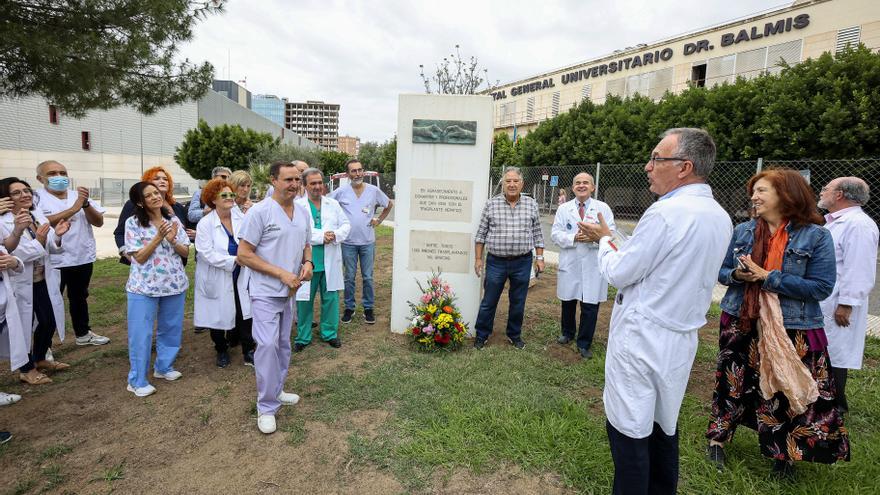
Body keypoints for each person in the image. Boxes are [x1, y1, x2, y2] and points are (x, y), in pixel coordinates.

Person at [581, 128, 732, 494]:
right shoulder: (718, 215)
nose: (648, 167)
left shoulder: (665, 212)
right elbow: (652, 260)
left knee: (630, 427)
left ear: (684, 167)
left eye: (656, 159)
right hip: (680, 337)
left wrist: (602, 240)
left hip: (643, 338)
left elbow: (620, 271)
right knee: (664, 425)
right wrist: (614, 239)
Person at [705, 169, 849, 477]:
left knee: (785, 388)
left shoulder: (816, 235)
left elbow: (821, 287)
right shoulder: (743, 230)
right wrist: (737, 276)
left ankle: (784, 455)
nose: (754, 197)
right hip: (741, 318)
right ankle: (717, 440)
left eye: (761, 191)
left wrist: (768, 277)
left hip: (793, 326)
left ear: (786, 195)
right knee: (732, 382)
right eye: (753, 191)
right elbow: (721, 271)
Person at [236, 161, 312, 434]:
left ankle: (277, 391)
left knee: (282, 345)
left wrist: (308, 263)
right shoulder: (260, 212)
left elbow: (306, 244)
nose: (294, 184)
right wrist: (280, 273)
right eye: (288, 179)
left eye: (297, 180)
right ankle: (266, 407)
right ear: (273, 181)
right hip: (265, 292)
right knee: (266, 345)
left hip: (289, 292)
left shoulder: (302, 212)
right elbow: (243, 255)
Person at [123, 182, 191, 397]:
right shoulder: (133, 223)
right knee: (140, 334)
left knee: (171, 328)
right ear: (139, 202)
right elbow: (139, 257)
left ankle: (164, 367)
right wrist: (158, 238)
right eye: (148, 195)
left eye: (156, 193)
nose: (155, 197)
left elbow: (185, 252)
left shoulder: (173, 220)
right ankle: (137, 380)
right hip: (143, 287)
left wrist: (172, 240)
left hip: (174, 284)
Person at [817, 177, 878, 414]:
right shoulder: (836, 221)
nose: (822, 192)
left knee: (836, 353)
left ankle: (836, 406)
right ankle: (824, 400)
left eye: (827, 188)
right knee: (826, 350)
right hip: (826, 298)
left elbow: (859, 268)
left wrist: (847, 303)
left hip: (839, 304)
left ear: (840, 194)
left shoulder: (858, 225)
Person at [0, 178, 70, 385]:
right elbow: (10, 254)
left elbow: (49, 247)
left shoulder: (35, 215)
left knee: (48, 321)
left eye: (27, 190)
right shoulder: (3, 222)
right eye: (17, 193)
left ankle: (40, 357)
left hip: (42, 279)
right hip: (18, 283)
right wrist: (39, 243)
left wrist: (56, 237)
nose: (25, 195)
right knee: (22, 326)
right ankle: (26, 369)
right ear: (6, 198)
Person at [34, 160, 110, 346]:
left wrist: (84, 205)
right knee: (50, 302)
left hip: (81, 256)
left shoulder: (79, 196)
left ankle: (83, 333)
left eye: (62, 172)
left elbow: (98, 222)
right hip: (52, 260)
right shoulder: (36, 198)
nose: (59, 177)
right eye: (52, 173)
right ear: (40, 178)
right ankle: (45, 345)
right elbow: (40, 223)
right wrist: (73, 209)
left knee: (79, 297)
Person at [473, 166, 545, 350]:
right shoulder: (491, 204)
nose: (512, 184)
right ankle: (482, 334)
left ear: (522, 184)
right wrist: (479, 259)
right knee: (489, 300)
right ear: (503, 184)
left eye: (515, 181)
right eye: (508, 181)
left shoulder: (531, 204)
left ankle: (514, 335)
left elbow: (538, 233)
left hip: (522, 262)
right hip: (496, 261)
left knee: (518, 301)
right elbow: (481, 234)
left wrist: (540, 257)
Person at [551, 173, 614, 359]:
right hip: (571, 262)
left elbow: (611, 234)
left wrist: (596, 238)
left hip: (593, 265)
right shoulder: (564, 209)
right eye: (577, 183)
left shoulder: (602, 208)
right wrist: (573, 238)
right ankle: (567, 333)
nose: (581, 185)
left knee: (590, 306)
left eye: (585, 183)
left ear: (592, 187)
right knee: (568, 301)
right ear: (572, 188)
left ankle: (584, 342)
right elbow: (555, 234)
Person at [194, 178, 254, 368]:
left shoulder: (241, 218)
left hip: (240, 274)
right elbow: (206, 253)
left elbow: (251, 240)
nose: (230, 198)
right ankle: (221, 349)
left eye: (231, 194)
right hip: (218, 274)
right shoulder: (205, 224)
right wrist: (234, 260)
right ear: (213, 199)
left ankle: (248, 350)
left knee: (245, 313)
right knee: (217, 314)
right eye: (224, 195)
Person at [329, 159, 393, 325]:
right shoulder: (341, 192)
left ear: (363, 172)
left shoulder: (373, 190)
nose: (357, 174)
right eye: (353, 171)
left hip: (367, 242)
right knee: (349, 277)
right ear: (348, 174)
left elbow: (389, 204)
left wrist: (378, 220)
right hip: (348, 242)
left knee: (368, 277)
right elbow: (326, 204)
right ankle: (349, 308)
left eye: (360, 170)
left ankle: (368, 308)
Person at [294, 168, 350, 351]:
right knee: (304, 301)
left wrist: (335, 235)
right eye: (313, 183)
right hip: (308, 261)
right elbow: (299, 231)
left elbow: (346, 224)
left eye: (320, 182)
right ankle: (303, 336)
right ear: (305, 185)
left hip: (330, 260)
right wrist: (321, 237)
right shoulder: (297, 206)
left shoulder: (332, 204)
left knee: (331, 298)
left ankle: (329, 333)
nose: (317, 186)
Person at [114, 166, 193, 266]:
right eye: (157, 179)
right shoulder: (132, 205)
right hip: (146, 268)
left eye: (165, 179)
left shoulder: (177, 207)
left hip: (176, 267)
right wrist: (127, 253)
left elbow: (184, 234)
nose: (162, 181)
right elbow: (120, 233)